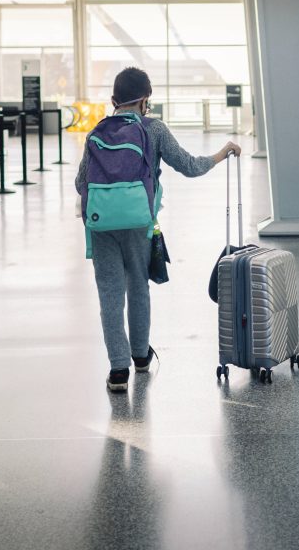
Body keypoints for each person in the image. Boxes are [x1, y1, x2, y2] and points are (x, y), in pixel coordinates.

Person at [76, 67, 240, 392]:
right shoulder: (154, 129)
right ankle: (140, 357)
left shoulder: (96, 132)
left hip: (101, 225)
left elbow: (82, 182)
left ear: (113, 100)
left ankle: (118, 370)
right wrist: (222, 153)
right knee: (138, 285)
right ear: (145, 99)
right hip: (139, 222)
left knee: (110, 294)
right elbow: (189, 166)